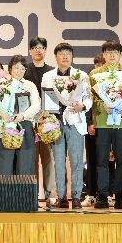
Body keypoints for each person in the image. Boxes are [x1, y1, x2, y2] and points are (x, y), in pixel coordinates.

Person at [89, 40, 122, 210]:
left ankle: (120, 196)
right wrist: (101, 106)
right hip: (103, 122)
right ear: (103, 55)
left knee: (121, 159)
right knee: (101, 160)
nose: (112, 55)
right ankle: (102, 195)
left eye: (115, 52)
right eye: (108, 52)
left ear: (120, 55)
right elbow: (91, 97)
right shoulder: (95, 74)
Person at [40, 43, 92, 209]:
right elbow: (46, 97)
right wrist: (47, 113)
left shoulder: (81, 75)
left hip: (75, 121)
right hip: (55, 123)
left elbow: (89, 97)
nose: (65, 56)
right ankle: (61, 197)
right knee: (58, 161)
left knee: (77, 161)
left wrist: (83, 106)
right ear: (55, 57)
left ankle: (76, 197)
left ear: (72, 56)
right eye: (61, 53)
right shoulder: (48, 76)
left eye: (68, 53)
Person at [0, 55, 40, 176]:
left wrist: (23, 115)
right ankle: (5, 189)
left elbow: (36, 105)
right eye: (16, 67)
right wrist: (1, 113)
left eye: (22, 68)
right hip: (5, 126)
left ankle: (23, 189)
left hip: (25, 125)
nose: (19, 71)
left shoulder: (30, 85)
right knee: (4, 166)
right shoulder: (1, 84)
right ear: (10, 68)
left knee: (25, 165)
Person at [23, 36, 56, 206]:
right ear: (30, 51)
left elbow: (54, 94)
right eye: (35, 47)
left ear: (45, 50)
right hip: (29, 120)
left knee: (49, 158)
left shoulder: (52, 72)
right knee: (31, 158)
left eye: (41, 47)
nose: (38, 50)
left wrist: (47, 113)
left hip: (47, 120)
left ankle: (51, 194)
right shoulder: (24, 70)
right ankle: (32, 194)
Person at [81, 53, 112, 207]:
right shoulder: (88, 81)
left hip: (109, 126)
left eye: (101, 65)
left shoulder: (114, 83)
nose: (98, 68)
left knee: (108, 161)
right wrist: (89, 123)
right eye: (97, 65)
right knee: (92, 160)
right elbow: (86, 105)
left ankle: (108, 194)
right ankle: (91, 194)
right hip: (93, 126)